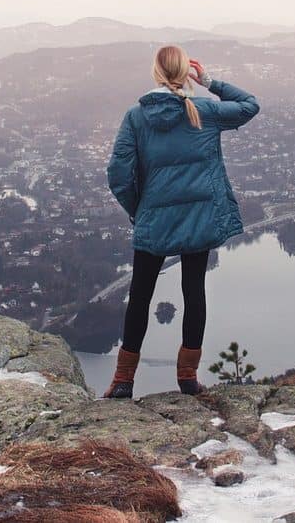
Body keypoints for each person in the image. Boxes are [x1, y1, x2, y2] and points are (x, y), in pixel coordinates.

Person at [103, 45, 260, 398]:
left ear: (156, 73)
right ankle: (188, 377)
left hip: (154, 219)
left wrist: (138, 208)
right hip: (198, 218)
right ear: (184, 73)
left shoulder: (136, 117)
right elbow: (250, 105)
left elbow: (118, 174)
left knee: (140, 295)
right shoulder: (204, 110)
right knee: (194, 292)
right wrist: (209, 82)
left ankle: (123, 380)